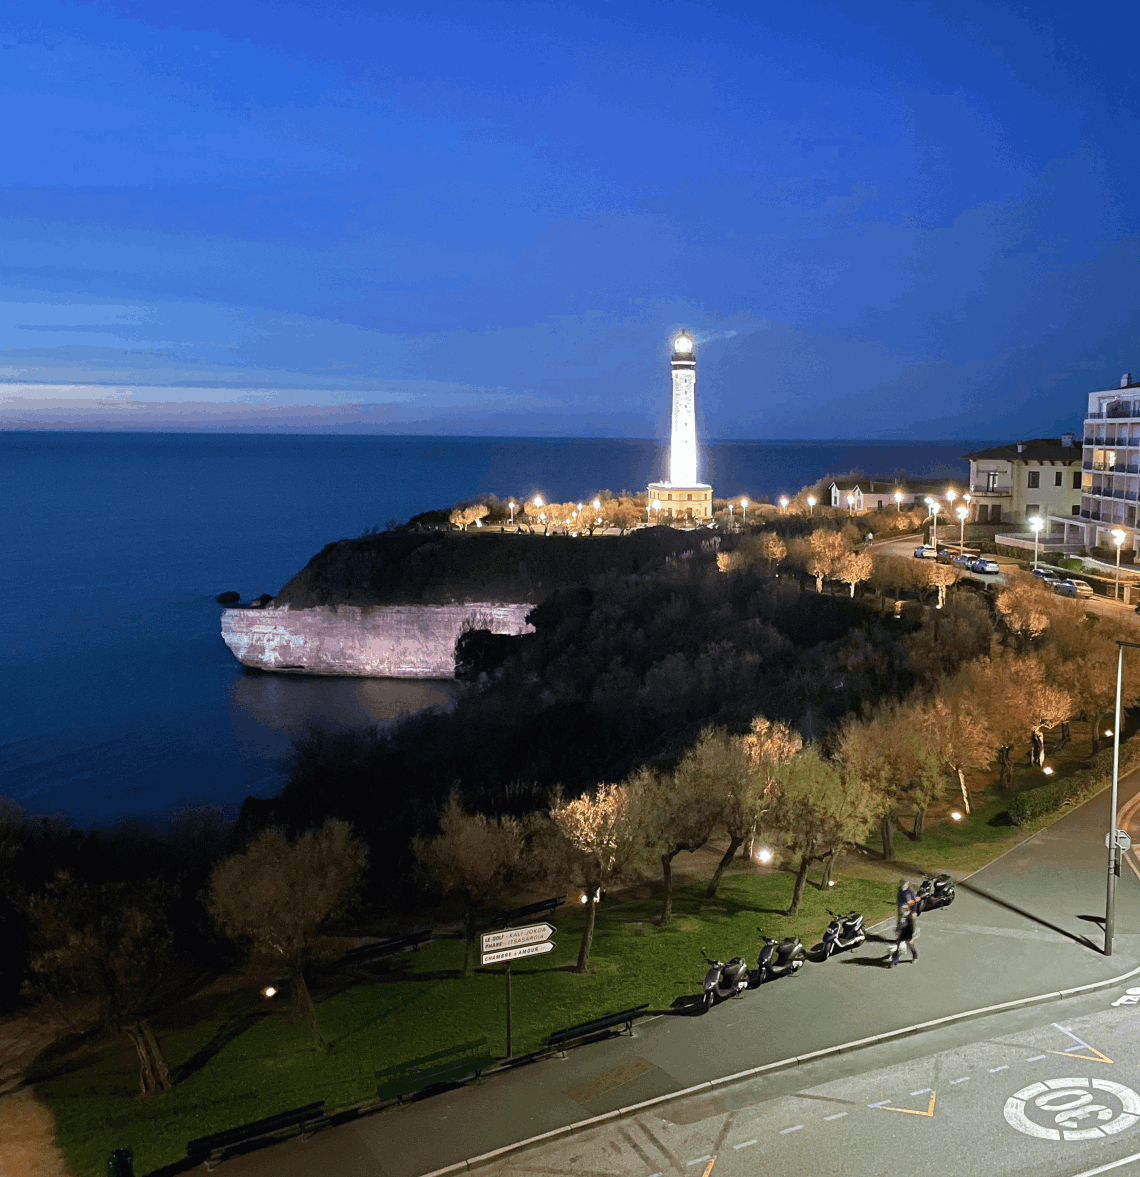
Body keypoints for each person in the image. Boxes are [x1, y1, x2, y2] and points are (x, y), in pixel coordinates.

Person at [890, 878, 919, 966]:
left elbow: (913, 902)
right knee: (899, 944)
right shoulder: (900, 894)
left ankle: (915, 956)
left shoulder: (910, 892)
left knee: (908, 943)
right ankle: (894, 960)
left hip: (907, 930)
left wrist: (914, 911)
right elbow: (899, 923)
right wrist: (898, 930)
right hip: (902, 928)